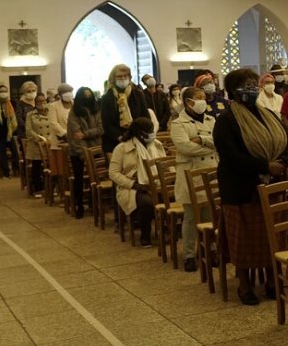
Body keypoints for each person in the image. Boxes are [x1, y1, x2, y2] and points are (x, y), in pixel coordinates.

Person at [214, 67, 288, 305]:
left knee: (270, 236)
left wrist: (281, 162)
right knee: (245, 241)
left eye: (253, 84)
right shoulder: (226, 121)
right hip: (241, 187)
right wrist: (264, 166)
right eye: (246, 85)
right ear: (234, 92)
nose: (252, 89)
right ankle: (244, 285)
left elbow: (286, 141)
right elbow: (231, 156)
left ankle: (271, 281)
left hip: (271, 185)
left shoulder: (268, 113)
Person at [171, 86, 217, 273]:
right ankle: (189, 254)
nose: (202, 101)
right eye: (198, 98)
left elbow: (218, 141)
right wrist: (209, 144)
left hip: (211, 170)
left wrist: (201, 139)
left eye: (204, 97)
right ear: (188, 102)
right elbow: (185, 148)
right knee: (190, 216)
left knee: (210, 214)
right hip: (191, 172)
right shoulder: (178, 123)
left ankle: (210, 249)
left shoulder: (211, 119)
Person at [108, 116, 165, 247]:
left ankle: (166, 230)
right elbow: (113, 173)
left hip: (154, 183)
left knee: (172, 196)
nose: (152, 134)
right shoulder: (122, 148)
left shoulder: (155, 145)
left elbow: (163, 164)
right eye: (149, 131)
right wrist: (133, 184)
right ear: (139, 133)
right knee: (146, 202)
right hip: (132, 186)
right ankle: (145, 235)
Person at [66, 86, 102, 218]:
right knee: (79, 178)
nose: (87, 98)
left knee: (97, 177)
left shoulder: (96, 110)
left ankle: (95, 203)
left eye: (89, 95)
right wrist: (84, 153)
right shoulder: (74, 112)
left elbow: (101, 128)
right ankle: (79, 205)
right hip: (78, 151)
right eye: (85, 96)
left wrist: (86, 133)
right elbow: (76, 135)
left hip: (96, 149)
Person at [100, 64, 152, 155]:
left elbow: (145, 116)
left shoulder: (138, 94)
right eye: (119, 76)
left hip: (137, 139)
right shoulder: (107, 98)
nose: (123, 78)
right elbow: (106, 123)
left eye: (125, 76)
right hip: (114, 142)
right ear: (113, 78)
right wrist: (120, 137)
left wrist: (138, 134)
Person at [24, 93, 55, 195]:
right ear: (35, 103)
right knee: (36, 167)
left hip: (50, 143)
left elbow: (55, 126)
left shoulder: (51, 113)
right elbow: (29, 130)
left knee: (52, 166)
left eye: (44, 101)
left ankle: (52, 188)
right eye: (39, 101)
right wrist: (40, 139)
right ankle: (38, 188)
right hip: (36, 144)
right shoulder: (30, 115)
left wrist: (50, 138)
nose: (42, 103)